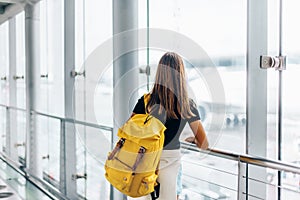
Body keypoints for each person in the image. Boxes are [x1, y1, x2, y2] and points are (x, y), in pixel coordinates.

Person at [128, 52, 209, 200]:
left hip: (145, 162)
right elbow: (204, 144)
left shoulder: (146, 101)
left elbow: (129, 131)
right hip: (170, 162)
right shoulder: (186, 105)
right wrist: (193, 140)